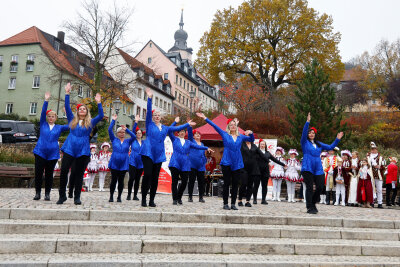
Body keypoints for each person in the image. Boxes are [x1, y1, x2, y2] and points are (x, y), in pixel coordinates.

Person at [140, 88, 194, 207]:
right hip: (148, 152)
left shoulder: (165, 128)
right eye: (155, 115)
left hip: (159, 155)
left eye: (158, 115)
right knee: (148, 175)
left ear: (161, 117)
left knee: (155, 178)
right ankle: (144, 198)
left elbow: (174, 129)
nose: (157, 116)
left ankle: (151, 200)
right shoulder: (149, 124)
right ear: (153, 117)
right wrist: (149, 98)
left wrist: (187, 124)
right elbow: (148, 112)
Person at [57, 83, 104, 205]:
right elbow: (67, 107)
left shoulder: (90, 122)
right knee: (64, 171)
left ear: (86, 112)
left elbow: (101, 115)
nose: (82, 110)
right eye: (80, 109)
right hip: (70, 147)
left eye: (84, 109)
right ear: (77, 111)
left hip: (82, 149)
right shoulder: (72, 120)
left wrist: (99, 103)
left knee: (78, 174)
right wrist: (67, 93)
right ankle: (62, 195)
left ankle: (77, 196)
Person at [196, 113, 254, 210]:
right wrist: (205, 118)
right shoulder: (225, 134)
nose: (232, 126)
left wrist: (251, 132)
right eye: (231, 125)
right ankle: (225, 203)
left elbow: (251, 139)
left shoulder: (240, 137)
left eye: (234, 125)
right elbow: (214, 126)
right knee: (227, 183)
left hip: (237, 162)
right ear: (228, 127)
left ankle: (233, 204)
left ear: (236, 127)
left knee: (235, 184)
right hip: (227, 161)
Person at [300, 112, 343, 214]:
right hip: (307, 167)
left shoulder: (319, 144)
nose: (311, 134)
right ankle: (310, 207)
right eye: (310, 133)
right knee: (309, 187)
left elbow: (330, 147)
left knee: (320, 186)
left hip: (318, 167)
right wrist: (307, 122)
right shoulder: (304, 142)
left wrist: (337, 139)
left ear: (315, 135)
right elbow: (304, 132)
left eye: (313, 133)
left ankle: (313, 203)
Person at [33, 91, 71, 201]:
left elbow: (70, 125)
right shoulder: (43, 124)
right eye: (49, 116)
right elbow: (42, 113)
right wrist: (46, 100)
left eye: (53, 116)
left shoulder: (59, 127)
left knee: (49, 174)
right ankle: (38, 193)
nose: (50, 118)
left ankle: (47, 194)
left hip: (52, 154)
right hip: (40, 152)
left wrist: (67, 112)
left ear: (56, 118)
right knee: (38, 173)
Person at [168, 122, 210, 205]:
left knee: (184, 182)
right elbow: (169, 130)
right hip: (175, 162)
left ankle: (179, 197)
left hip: (185, 163)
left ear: (185, 133)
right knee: (175, 181)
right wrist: (175, 122)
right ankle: (175, 199)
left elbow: (198, 146)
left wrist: (206, 148)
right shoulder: (174, 139)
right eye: (180, 131)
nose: (182, 132)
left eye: (183, 131)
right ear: (178, 132)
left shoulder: (188, 142)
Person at [108, 114, 136, 202]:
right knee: (113, 180)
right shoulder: (114, 139)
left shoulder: (128, 141)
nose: (122, 133)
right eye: (120, 132)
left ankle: (119, 196)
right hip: (114, 162)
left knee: (121, 181)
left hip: (124, 162)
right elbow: (109, 130)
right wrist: (113, 120)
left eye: (123, 132)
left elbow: (134, 136)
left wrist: (127, 129)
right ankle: (111, 196)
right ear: (117, 133)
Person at [253, 140, 285, 205]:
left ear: (265, 145)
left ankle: (263, 200)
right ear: (259, 145)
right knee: (256, 185)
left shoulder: (268, 153)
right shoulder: (256, 152)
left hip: (265, 171)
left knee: (264, 186)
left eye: (263, 144)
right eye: (261, 144)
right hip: (257, 171)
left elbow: (275, 160)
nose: (262, 145)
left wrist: (283, 164)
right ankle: (254, 199)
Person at [238, 136, 265, 207]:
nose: (248, 138)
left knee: (250, 185)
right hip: (243, 168)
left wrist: (268, 160)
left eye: (250, 137)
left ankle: (247, 201)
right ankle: (239, 200)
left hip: (252, 168)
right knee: (243, 184)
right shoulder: (241, 144)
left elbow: (261, 154)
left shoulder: (254, 146)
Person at [187, 126, 209, 203]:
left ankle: (201, 197)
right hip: (192, 164)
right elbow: (189, 134)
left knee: (201, 182)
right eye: (196, 134)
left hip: (201, 165)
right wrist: (189, 126)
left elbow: (203, 153)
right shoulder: (191, 141)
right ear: (193, 136)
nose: (197, 135)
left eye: (199, 134)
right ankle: (190, 196)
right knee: (191, 181)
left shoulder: (202, 144)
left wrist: (204, 160)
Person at [127, 115, 145, 201]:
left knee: (138, 180)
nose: (138, 134)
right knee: (132, 178)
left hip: (141, 162)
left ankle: (135, 195)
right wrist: (136, 122)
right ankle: (129, 194)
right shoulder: (133, 140)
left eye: (140, 133)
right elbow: (133, 131)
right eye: (137, 133)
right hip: (133, 161)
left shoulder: (144, 143)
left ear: (142, 135)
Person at [367, 142, 385, 208]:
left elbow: (384, 166)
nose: (373, 150)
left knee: (379, 189)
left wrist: (379, 167)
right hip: (370, 175)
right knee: (372, 189)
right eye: (372, 149)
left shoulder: (381, 158)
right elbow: (363, 164)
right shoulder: (368, 157)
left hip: (379, 175)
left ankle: (380, 203)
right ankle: (372, 202)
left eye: (374, 149)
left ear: (377, 150)